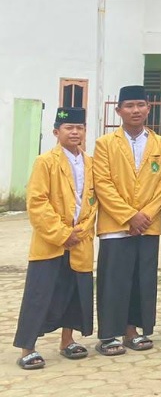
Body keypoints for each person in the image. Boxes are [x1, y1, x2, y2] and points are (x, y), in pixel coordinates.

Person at [92, 84, 161, 357]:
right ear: (119, 111)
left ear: (148, 108)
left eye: (141, 105)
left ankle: (132, 331)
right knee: (113, 280)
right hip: (115, 226)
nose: (135, 110)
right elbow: (102, 184)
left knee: (142, 279)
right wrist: (129, 216)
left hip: (147, 226)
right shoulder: (105, 144)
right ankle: (107, 335)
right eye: (129, 106)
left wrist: (145, 216)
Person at [14, 107, 96, 370]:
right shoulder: (45, 161)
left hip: (80, 239)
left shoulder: (90, 162)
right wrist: (63, 234)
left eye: (79, 127)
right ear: (56, 132)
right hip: (51, 241)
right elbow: (37, 202)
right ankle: (28, 347)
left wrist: (81, 230)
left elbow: (93, 201)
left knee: (74, 290)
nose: (74, 132)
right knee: (40, 293)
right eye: (68, 128)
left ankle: (67, 341)